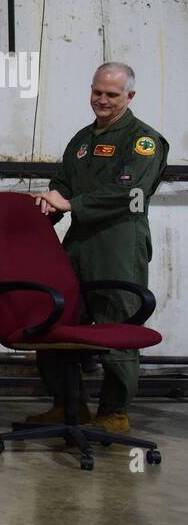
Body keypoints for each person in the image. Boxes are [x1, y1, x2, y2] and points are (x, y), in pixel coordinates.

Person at [29, 62, 168, 434]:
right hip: (78, 244)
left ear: (129, 97)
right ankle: (67, 405)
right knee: (57, 319)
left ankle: (114, 411)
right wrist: (50, 202)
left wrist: (71, 205)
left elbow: (129, 192)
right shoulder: (82, 140)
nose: (102, 100)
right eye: (97, 92)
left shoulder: (143, 140)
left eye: (112, 94)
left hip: (118, 243)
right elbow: (63, 183)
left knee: (117, 324)